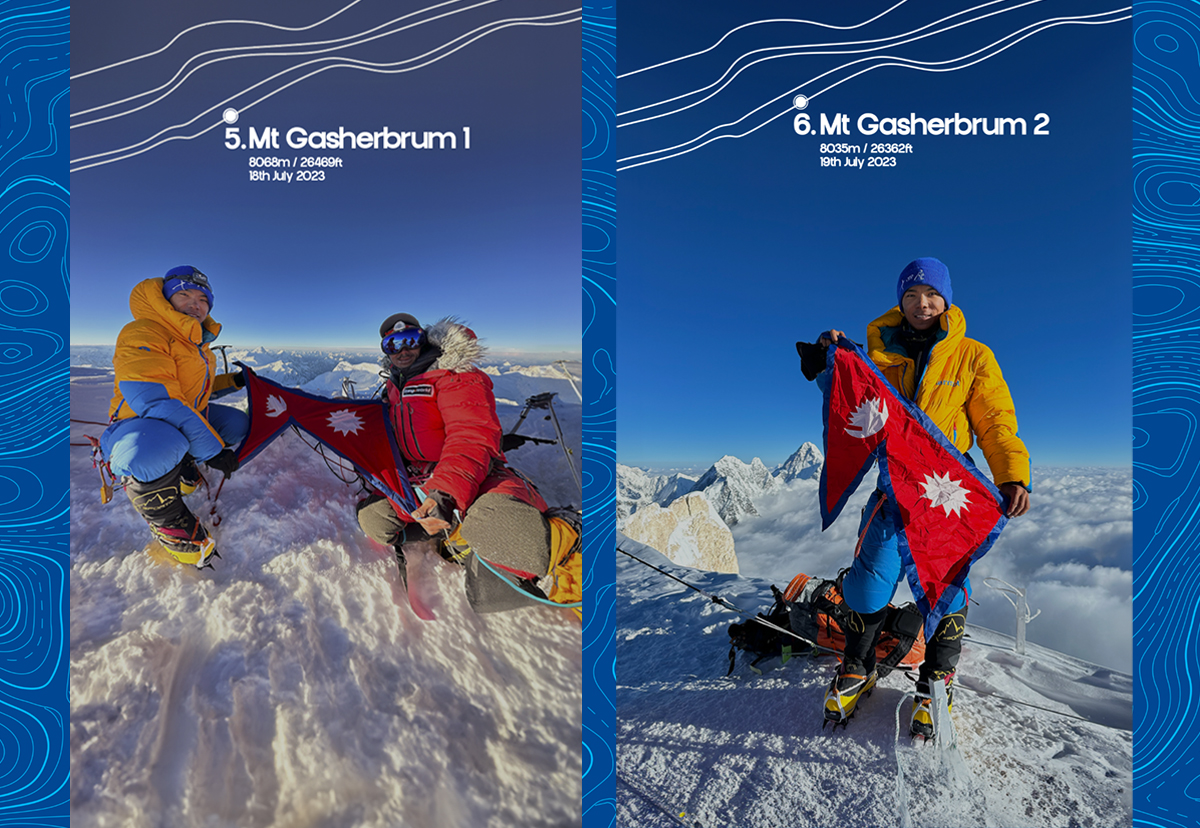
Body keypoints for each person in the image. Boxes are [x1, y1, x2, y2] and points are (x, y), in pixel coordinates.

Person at [805, 257, 1031, 738]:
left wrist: (1011, 473)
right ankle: (857, 665)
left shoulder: (973, 355)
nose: (921, 303)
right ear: (900, 301)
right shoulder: (879, 351)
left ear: (946, 300)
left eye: (931, 294)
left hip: (946, 489)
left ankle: (937, 678)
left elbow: (993, 420)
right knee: (867, 583)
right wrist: (827, 364)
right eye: (911, 295)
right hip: (894, 487)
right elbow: (856, 401)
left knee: (944, 581)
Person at [356, 313, 555, 612]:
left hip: (472, 474)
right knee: (376, 520)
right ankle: (452, 533)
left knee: (502, 525)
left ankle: (557, 545)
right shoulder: (395, 388)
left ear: (424, 340)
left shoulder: (456, 376)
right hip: (418, 480)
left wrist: (444, 494)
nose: (402, 350)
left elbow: (472, 436)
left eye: (409, 340)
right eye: (391, 345)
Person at [100, 266, 247, 567]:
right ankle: (168, 522)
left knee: (237, 425)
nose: (196, 304)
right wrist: (214, 451)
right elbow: (156, 400)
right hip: (138, 426)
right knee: (152, 451)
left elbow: (197, 392)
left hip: (179, 418)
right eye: (184, 295)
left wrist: (234, 382)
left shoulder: (199, 346)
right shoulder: (142, 331)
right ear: (167, 299)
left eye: (203, 300)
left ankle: (183, 464)